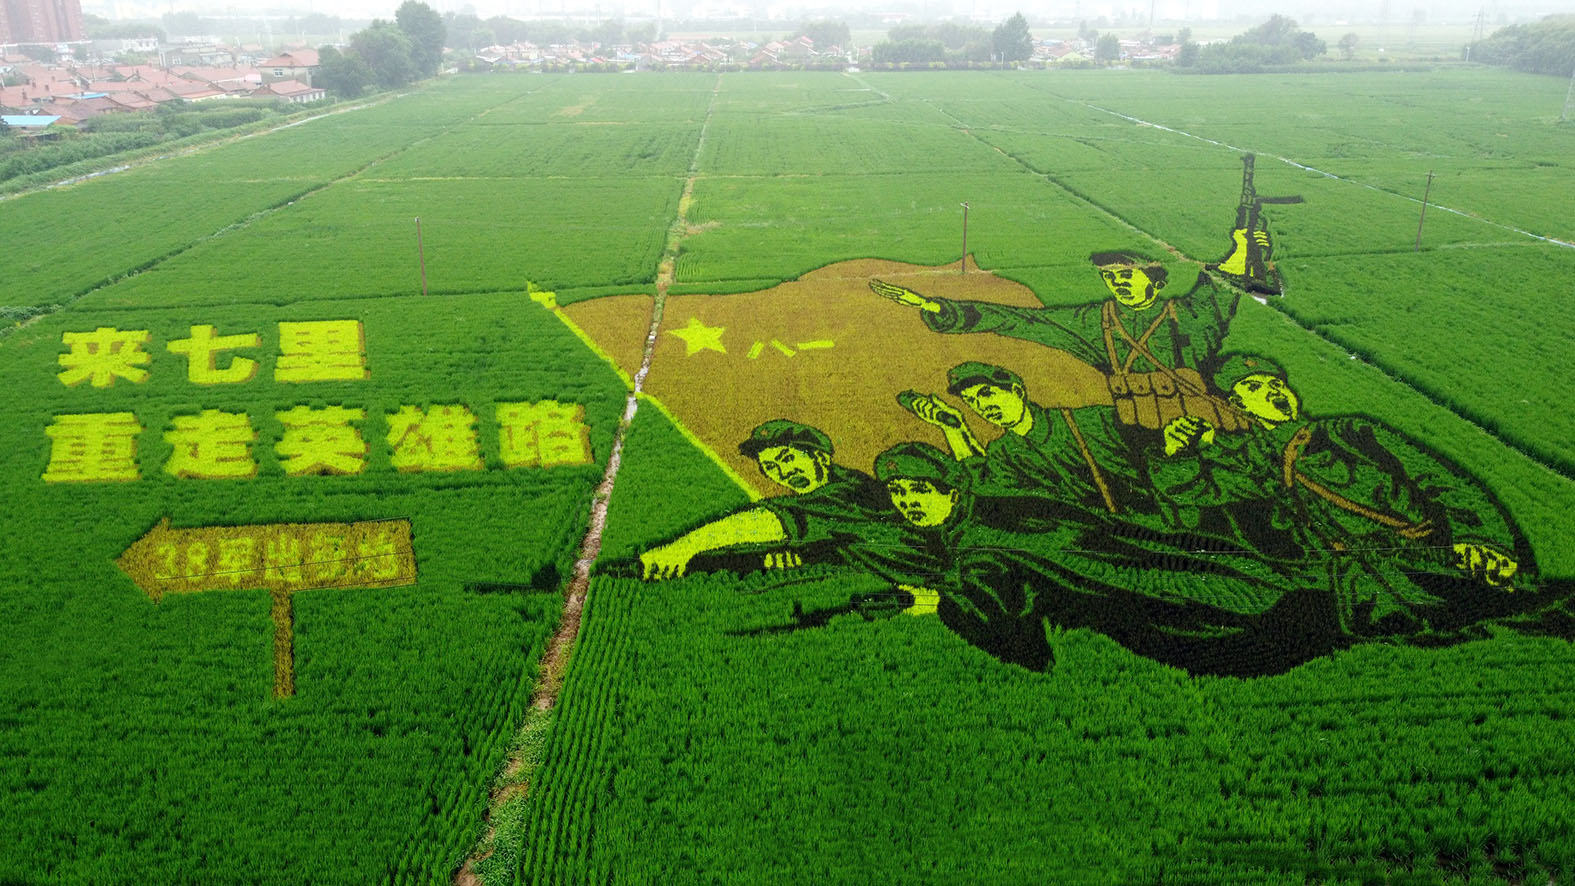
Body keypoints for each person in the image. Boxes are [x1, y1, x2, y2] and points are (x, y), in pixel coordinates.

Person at [1153, 353, 1556, 639]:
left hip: (1434, 551)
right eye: (1255, 387)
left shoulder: (1350, 430)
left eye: (1276, 383)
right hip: (1365, 576)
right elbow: (1197, 490)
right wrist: (1176, 453)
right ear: (1237, 404)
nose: (1273, 391)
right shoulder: (1257, 462)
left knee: (1521, 610)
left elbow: (1437, 477)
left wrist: (1480, 537)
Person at [863, 441, 1343, 676]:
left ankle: (1316, 617)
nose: (908, 502)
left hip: (1118, 583)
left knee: (1203, 624)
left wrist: (932, 602)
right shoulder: (998, 506)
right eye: (898, 493)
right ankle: (1316, 601)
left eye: (918, 490)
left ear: (950, 490)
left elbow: (998, 602)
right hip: (1131, 551)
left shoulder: (975, 541)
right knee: (1203, 572)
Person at [870, 249, 1257, 436]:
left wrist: (1246, 247)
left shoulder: (1188, 315)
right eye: (1109, 277)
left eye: (1127, 274)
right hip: (1137, 439)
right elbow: (1021, 321)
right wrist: (936, 307)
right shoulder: (1094, 323)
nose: (1118, 282)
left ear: (1155, 278)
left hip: (1209, 433)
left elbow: (1222, 288)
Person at [639, 419, 899, 580]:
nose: (784, 473)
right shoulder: (842, 491)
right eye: (771, 467)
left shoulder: (846, 493)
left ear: (820, 457)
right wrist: (803, 554)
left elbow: (771, 519)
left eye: (788, 458)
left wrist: (684, 548)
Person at [901, 361, 1154, 518]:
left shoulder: (1090, 420)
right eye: (972, 402)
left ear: (1017, 390)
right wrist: (954, 428)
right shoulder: (1002, 454)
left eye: (987, 393)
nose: (982, 406)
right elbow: (984, 489)